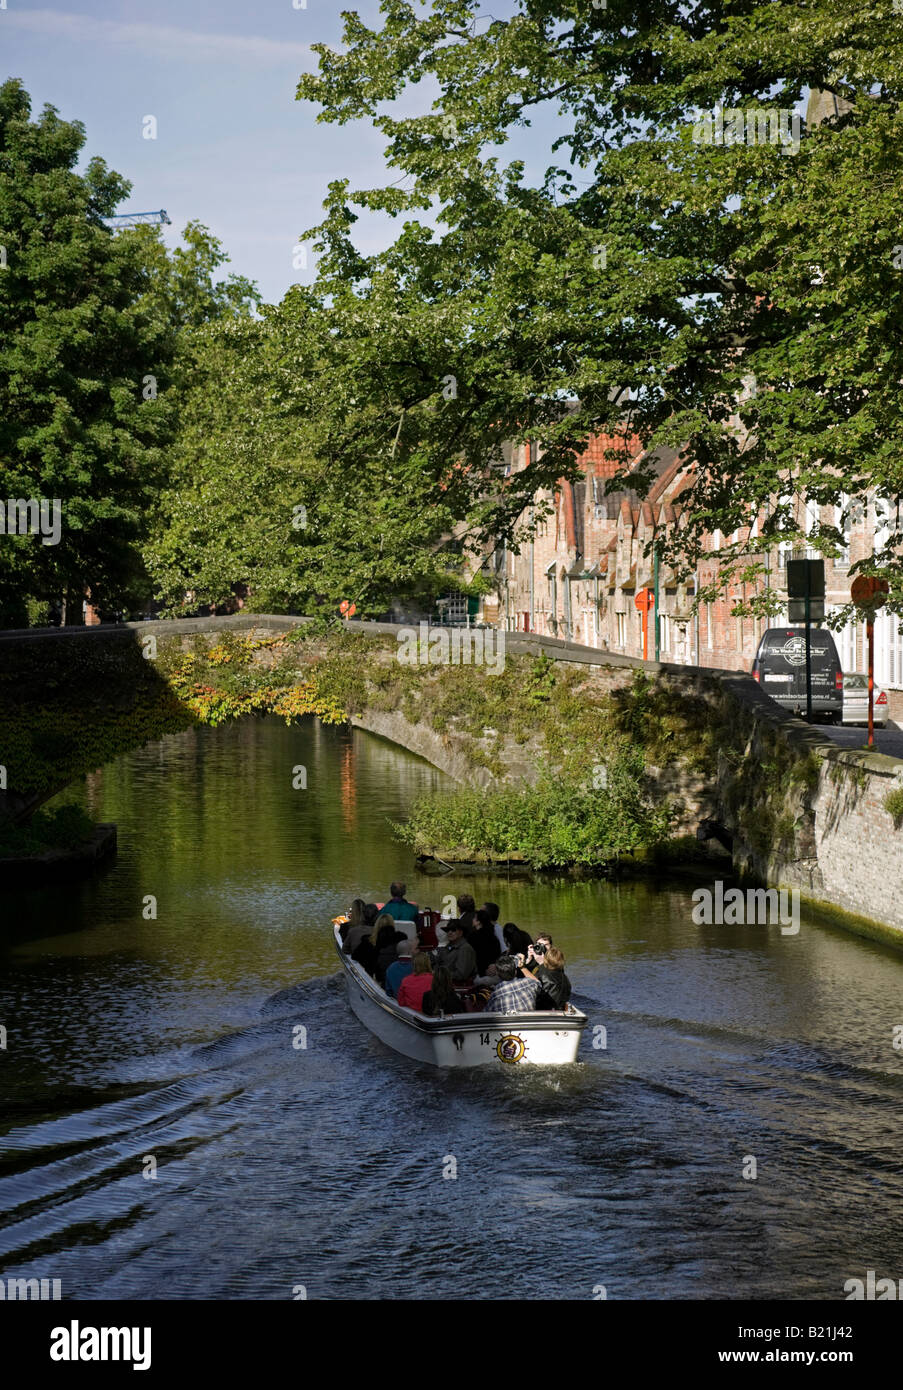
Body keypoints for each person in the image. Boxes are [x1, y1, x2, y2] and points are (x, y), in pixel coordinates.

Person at [525, 943, 572, 1010]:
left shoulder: (540, 971)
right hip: (559, 1010)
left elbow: (528, 988)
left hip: (543, 1010)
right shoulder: (565, 977)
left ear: (546, 958)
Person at [435, 919, 477, 985]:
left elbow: (461, 975)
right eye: (448, 930)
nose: (449, 932)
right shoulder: (448, 946)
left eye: (453, 930)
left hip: (458, 987)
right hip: (445, 984)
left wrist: (441, 975)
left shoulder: (465, 949)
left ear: (461, 932)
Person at [353, 911, 394, 977]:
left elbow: (355, 956)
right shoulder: (397, 944)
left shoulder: (367, 941)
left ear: (376, 925)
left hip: (371, 977)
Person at [471, 908, 501, 976]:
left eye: (474, 918)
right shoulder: (494, 937)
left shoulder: (473, 937)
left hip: (479, 973)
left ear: (478, 922)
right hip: (493, 971)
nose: (472, 920)